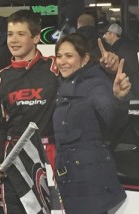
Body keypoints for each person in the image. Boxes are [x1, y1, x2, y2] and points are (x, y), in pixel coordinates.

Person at [0, 9, 122, 214]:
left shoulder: (55, 66)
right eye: (10, 34)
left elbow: (85, 71)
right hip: (15, 160)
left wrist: (108, 66)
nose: (14, 40)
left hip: (50, 157)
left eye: (21, 34)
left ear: (35, 37)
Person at [53, 33, 130, 214]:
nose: (62, 61)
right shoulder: (60, 85)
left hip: (91, 181)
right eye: (59, 56)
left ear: (84, 58)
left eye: (69, 56)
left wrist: (119, 99)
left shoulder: (95, 84)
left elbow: (114, 120)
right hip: (71, 180)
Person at [103, 23, 139, 98]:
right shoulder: (127, 46)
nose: (104, 36)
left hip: (128, 89)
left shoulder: (118, 50)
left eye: (105, 33)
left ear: (112, 34)